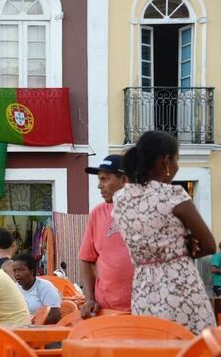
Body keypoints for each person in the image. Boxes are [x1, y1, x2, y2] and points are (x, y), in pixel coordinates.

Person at [113, 130, 216, 335]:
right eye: (177, 159)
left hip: (143, 287)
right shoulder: (172, 195)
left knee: (153, 343)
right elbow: (209, 245)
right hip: (179, 284)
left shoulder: (121, 198)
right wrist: (183, 250)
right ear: (166, 161)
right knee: (192, 344)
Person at [78, 154, 134, 317]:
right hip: (106, 309)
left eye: (105, 179)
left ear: (123, 180)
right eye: (99, 179)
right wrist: (89, 298)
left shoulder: (145, 211)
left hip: (143, 307)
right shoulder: (97, 213)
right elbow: (86, 259)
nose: (99, 186)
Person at [12, 254, 61, 324]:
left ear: (32, 271)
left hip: (41, 330)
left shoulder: (45, 286)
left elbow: (55, 316)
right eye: (15, 270)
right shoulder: (14, 288)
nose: (17, 274)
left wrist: (33, 324)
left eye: (21, 270)